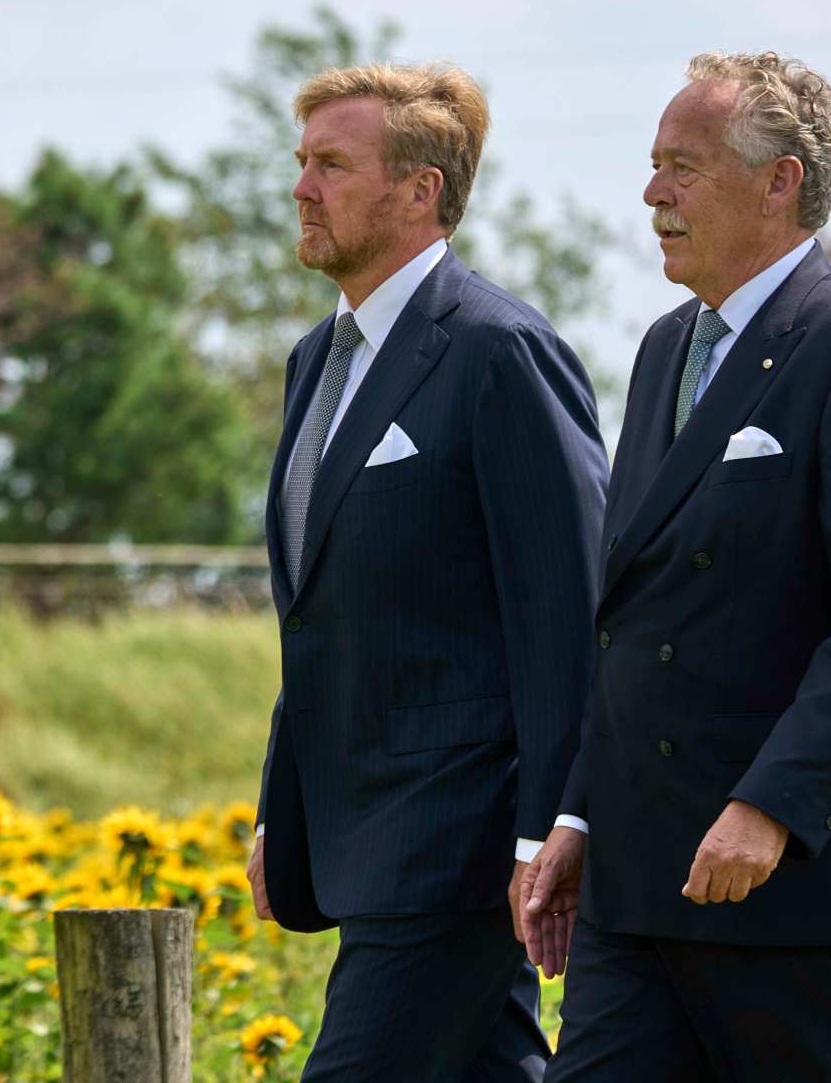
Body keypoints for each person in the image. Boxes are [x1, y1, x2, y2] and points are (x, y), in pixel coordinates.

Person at [520, 52, 831, 1082]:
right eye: (654, 165)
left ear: (778, 182)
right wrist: (577, 813)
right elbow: (624, 616)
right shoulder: (664, 348)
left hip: (778, 884)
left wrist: (773, 807)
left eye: (682, 166)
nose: (653, 193)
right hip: (636, 876)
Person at [247, 63, 605, 1082]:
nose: (301, 189)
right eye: (301, 163)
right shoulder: (314, 361)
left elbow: (567, 613)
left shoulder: (499, 352)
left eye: (331, 165)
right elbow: (321, 612)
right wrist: (285, 802)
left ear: (419, 194)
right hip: (360, 832)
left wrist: (551, 826)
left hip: (457, 844)